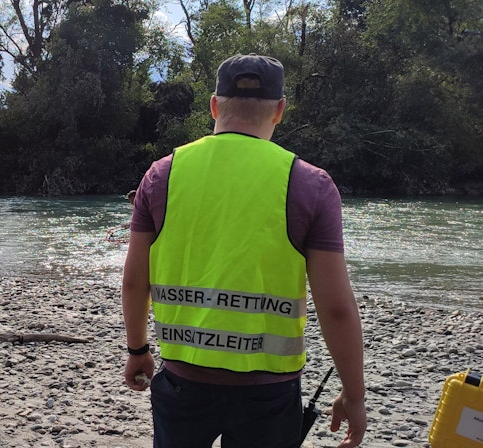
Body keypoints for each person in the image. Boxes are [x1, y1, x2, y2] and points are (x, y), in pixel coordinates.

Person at [121, 54, 366, 448]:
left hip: (183, 380)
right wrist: (354, 394)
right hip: (269, 393)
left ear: (214, 105)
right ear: (280, 111)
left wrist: (137, 349)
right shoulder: (310, 184)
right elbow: (336, 307)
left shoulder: (162, 174)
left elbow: (135, 281)